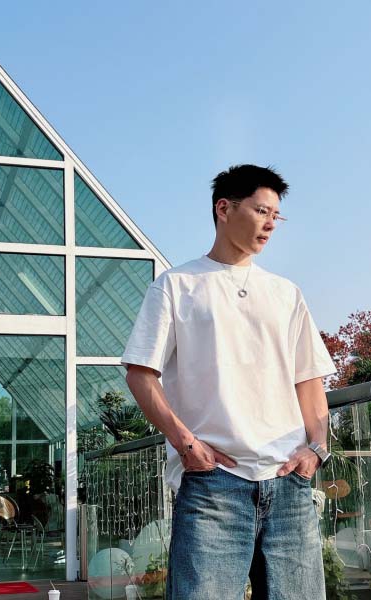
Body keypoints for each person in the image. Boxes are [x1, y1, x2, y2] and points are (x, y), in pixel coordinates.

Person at [122, 164, 336, 600]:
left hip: (289, 484)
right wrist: (186, 444)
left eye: (276, 215)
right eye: (261, 211)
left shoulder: (286, 293)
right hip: (213, 485)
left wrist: (316, 448)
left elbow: (309, 380)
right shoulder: (176, 286)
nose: (271, 224)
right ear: (224, 208)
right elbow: (140, 373)